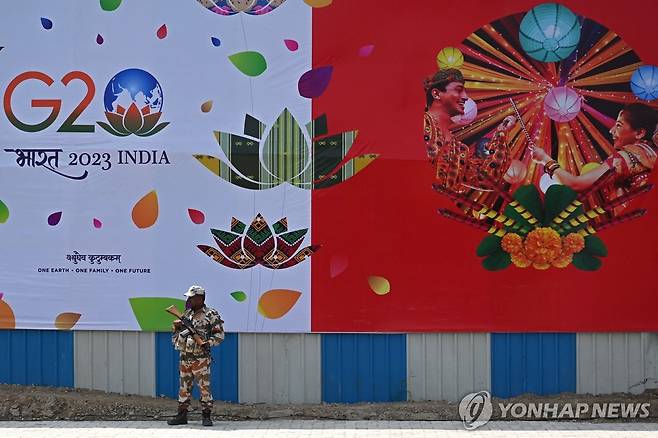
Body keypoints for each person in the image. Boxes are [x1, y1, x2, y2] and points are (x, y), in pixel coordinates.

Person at [530, 103, 657, 205]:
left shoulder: (626, 158)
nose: (611, 130)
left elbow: (576, 184)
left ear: (640, 133)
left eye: (618, 125)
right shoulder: (651, 155)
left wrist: (545, 160)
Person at [423, 68, 516, 195]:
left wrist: (501, 134)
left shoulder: (459, 149)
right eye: (458, 90)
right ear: (436, 94)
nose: (466, 97)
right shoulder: (420, 123)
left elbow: (486, 180)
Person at [167, 285, 225, 427]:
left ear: (200, 298)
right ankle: (182, 415)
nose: (189, 300)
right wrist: (176, 327)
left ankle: (206, 416)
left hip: (200, 358)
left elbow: (220, 335)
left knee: (204, 388)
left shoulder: (211, 314)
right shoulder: (186, 314)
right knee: (184, 387)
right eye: (189, 298)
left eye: (192, 298)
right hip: (185, 356)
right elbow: (176, 334)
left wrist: (207, 342)